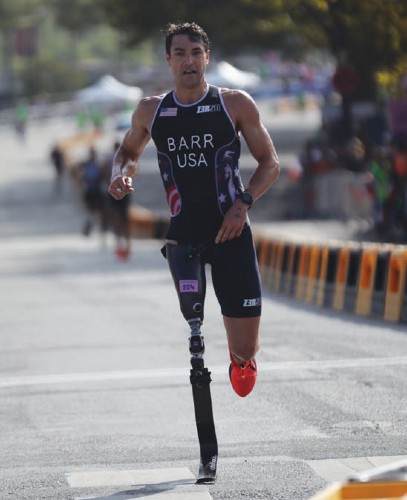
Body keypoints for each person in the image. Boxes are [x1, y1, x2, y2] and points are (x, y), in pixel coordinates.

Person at [109, 22, 280, 397]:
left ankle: (241, 359)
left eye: (196, 53)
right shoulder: (151, 111)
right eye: (180, 54)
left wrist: (243, 204)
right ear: (168, 60)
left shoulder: (233, 104)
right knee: (195, 327)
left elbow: (270, 162)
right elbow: (127, 154)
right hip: (184, 237)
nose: (189, 61)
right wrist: (119, 175)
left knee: (245, 346)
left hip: (231, 232)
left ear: (208, 58)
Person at [104, 141, 132, 260]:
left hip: (118, 190)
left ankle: (122, 244)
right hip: (121, 190)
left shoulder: (111, 160)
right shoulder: (123, 160)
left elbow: (104, 173)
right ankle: (123, 244)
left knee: (119, 217)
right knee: (121, 217)